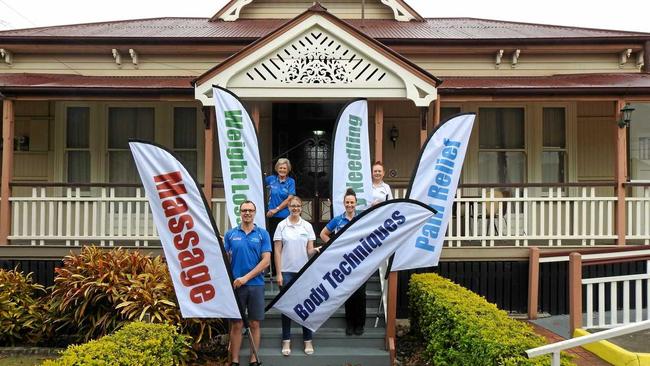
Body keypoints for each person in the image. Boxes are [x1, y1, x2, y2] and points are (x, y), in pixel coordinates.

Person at [224, 200, 271, 366]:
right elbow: (226, 260)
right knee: (236, 323)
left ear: (255, 212)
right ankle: (235, 361)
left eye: (250, 210)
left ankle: (253, 360)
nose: (247, 213)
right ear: (240, 212)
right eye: (244, 210)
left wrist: (246, 277)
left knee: (254, 323)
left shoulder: (262, 234)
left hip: (256, 285)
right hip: (236, 285)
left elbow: (266, 261)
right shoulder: (230, 234)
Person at [273, 196, 320, 356]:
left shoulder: (307, 226)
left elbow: (309, 250)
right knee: (287, 308)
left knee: (306, 307)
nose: (295, 208)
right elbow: (277, 251)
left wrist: (316, 251)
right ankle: (286, 340)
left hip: (304, 273)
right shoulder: (281, 225)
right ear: (288, 207)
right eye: (293, 206)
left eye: (298, 206)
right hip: (286, 272)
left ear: (301, 207)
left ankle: (308, 340)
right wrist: (278, 273)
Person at [319, 188, 366, 336]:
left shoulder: (362, 218)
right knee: (348, 293)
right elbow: (323, 234)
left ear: (356, 203)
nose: (350, 205)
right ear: (344, 203)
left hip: (361, 261)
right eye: (347, 202)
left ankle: (360, 324)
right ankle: (350, 324)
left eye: (352, 202)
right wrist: (333, 246)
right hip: (344, 263)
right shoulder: (338, 219)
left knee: (360, 294)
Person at [265, 158, 296, 276]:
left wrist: (276, 209)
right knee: (272, 241)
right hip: (270, 217)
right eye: (280, 168)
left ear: (288, 170)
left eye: (284, 168)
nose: (282, 170)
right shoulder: (271, 180)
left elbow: (290, 198)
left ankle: (283, 268)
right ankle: (272, 269)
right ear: (277, 169)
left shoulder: (290, 182)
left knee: (284, 242)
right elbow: (256, 183)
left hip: (283, 216)